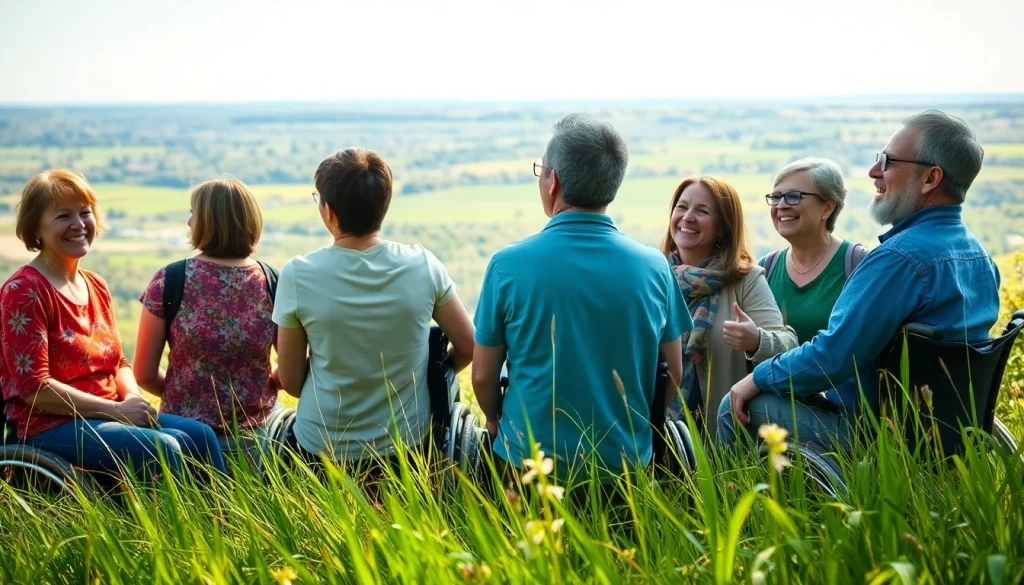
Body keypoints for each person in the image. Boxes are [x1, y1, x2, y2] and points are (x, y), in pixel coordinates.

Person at [718, 109, 1001, 452]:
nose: (873, 172)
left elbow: (832, 357)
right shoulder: (978, 256)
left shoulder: (897, 260)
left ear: (930, 179)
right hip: (947, 433)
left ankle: (737, 502)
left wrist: (756, 377)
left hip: (876, 435)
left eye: (887, 161)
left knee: (735, 404)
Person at [472, 114, 691, 484]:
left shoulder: (506, 265)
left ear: (552, 181)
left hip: (527, 465)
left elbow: (481, 375)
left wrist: (495, 420)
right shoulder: (654, 267)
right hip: (625, 466)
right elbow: (673, 373)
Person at [0, 169, 227, 481]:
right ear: (35, 226)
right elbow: (34, 390)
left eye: (85, 213)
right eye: (63, 216)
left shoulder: (95, 285)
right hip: (46, 425)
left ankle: (217, 526)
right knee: (165, 447)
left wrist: (132, 399)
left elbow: (117, 361)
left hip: (106, 413)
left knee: (200, 436)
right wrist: (117, 412)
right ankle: (163, 528)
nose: (79, 225)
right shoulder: (24, 290)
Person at [272, 148, 475, 475]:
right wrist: (429, 373)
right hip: (407, 446)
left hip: (321, 447)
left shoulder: (298, 274)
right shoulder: (423, 264)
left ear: (330, 212)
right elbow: (468, 346)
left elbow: (293, 382)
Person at [133, 177, 279, 471]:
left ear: (209, 222)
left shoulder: (170, 279)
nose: (189, 222)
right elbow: (289, 373)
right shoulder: (275, 283)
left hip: (183, 435)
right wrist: (258, 390)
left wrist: (190, 396)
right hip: (255, 436)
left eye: (193, 212)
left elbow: (144, 373)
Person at [662, 176, 797, 441]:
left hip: (720, 437)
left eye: (702, 211)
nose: (687, 217)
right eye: (682, 207)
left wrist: (756, 340)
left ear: (723, 227)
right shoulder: (653, 276)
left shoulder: (745, 280)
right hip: (658, 435)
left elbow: (789, 346)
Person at [760, 158, 869, 344]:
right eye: (776, 197)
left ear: (828, 207)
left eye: (794, 196)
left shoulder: (859, 264)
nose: (781, 206)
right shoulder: (766, 268)